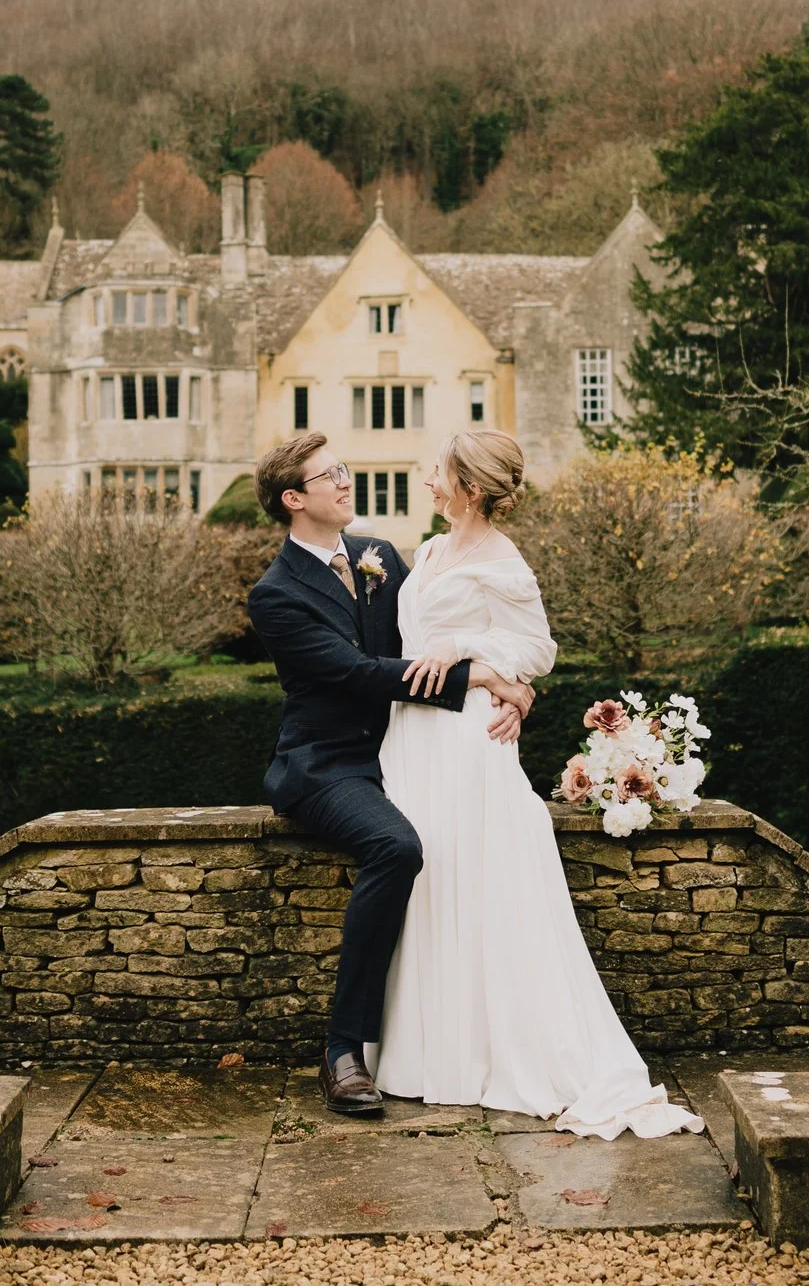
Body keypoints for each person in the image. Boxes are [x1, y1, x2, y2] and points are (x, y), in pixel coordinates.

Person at [373, 429, 704, 1140]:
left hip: (466, 740)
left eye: (438, 471)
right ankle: (427, 1054)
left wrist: (475, 653)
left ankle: (486, 1055)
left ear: (468, 487)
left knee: (470, 884)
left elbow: (537, 647)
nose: (426, 478)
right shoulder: (428, 551)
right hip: (411, 737)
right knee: (425, 887)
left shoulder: (503, 559)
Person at [246, 432, 537, 1117]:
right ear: (294, 499)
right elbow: (356, 674)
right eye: (330, 476)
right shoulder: (276, 594)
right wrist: (483, 676)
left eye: (344, 470)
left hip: (410, 748)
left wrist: (513, 689)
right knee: (397, 848)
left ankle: (461, 1035)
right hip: (329, 764)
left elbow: (438, 634)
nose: (346, 482)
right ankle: (344, 1049)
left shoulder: (379, 558)